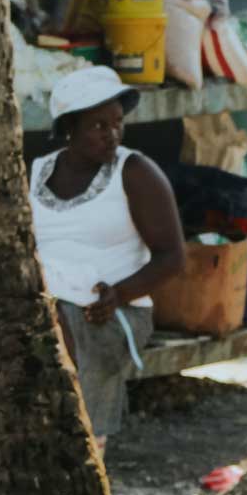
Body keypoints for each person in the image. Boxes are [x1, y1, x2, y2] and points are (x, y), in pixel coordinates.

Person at [29, 67, 185, 455]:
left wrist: (119, 294)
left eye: (117, 122)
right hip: (48, 301)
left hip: (114, 311)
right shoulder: (36, 172)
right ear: (69, 128)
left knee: (60, 321)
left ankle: (86, 445)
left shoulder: (135, 172)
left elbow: (173, 257)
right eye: (98, 125)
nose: (112, 134)